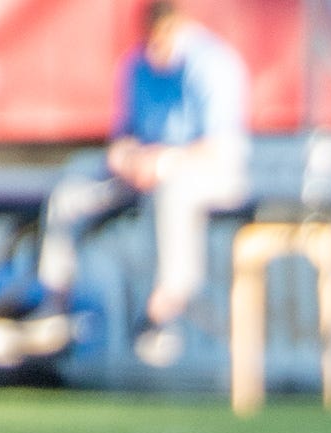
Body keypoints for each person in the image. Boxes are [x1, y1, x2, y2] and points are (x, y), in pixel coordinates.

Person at [36, 0, 253, 368]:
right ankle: (54, 303)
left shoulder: (213, 64)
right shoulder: (136, 64)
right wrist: (127, 157)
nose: (155, 51)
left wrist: (166, 160)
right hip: (144, 171)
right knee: (71, 188)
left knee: (174, 189)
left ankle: (163, 310)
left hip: (206, 172)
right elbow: (125, 134)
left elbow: (220, 147)